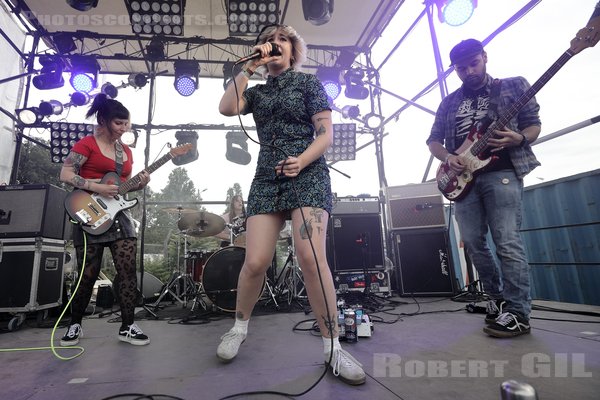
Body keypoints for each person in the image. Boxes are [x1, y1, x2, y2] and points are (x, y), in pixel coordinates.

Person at [216, 24, 366, 385]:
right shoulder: (258, 93)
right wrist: (248, 67)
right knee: (254, 262)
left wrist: (302, 159)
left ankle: (333, 348)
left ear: (293, 51)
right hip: (267, 178)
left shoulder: (309, 84)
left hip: (308, 174)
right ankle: (238, 328)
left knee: (311, 257)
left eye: (283, 39)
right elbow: (226, 107)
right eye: (270, 39)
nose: (275, 43)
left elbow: (326, 133)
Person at [426, 39, 541, 338]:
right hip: (464, 181)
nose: (469, 72)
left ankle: (518, 313)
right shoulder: (449, 102)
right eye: (461, 69)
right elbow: (434, 140)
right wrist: (449, 158)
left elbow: (533, 124)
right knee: (474, 243)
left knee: (506, 240)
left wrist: (520, 138)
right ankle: (497, 298)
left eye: (473, 64)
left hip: (501, 172)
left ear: (484, 57)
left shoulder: (513, 86)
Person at [59, 94, 151, 346]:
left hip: (119, 216)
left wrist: (139, 184)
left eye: (126, 124)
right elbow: (65, 173)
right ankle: (74, 324)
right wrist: (96, 187)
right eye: (118, 123)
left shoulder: (127, 153)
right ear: (104, 120)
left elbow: (122, 188)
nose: (123, 129)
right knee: (87, 274)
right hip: (89, 212)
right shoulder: (86, 144)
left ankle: (128, 326)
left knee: (128, 272)